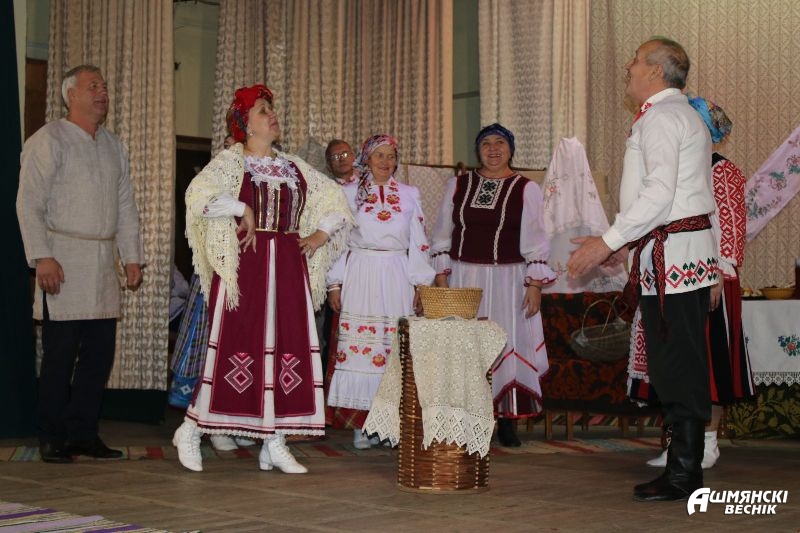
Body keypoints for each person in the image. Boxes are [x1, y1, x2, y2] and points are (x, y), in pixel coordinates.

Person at [172, 84, 352, 473]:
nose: (272, 115)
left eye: (272, 109)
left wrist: (320, 234)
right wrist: (241, 208)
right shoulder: (230, 162)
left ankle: (274, 441)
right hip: (247, 268)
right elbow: (197, 197)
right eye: (263, 111)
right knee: (236, 347)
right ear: (246, 125)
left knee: (286, 348)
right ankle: (190, 429)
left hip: (288, 267)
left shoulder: (293, 167)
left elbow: (337, 201)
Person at [567, 38, 717, 501]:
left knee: (678, 366)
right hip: (671, 258)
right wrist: (626, 247)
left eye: (635, 60)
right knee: (674, 366)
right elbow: (665, 200)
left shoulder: (664, 117)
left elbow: (659, 195)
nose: (628, 67)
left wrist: (608, 241)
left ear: (654, 71)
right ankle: (682, 468)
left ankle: (684, 473)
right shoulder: (669, 114)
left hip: (677, 263)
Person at [16, 64, 143, 463]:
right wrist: (42, 257)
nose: (102, 92)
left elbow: (125, 206)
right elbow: (28, 202)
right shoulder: (48, 139)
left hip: (102, 264)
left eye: (103, 86)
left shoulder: (114, 146)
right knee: (59, 356)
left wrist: (132, 256)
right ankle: (52, 435)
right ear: (71, 94)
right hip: (63, 260)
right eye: (93, 86)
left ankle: (83, 433)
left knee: (98, 357)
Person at [630, 95, 755, 470]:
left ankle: (708, 442)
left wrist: (717, 274)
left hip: (711, 280)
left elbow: (731, 228)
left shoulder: (721, 170)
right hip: (673, 277)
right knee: (677, 361)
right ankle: (680, 444)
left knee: (709, 361)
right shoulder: (676, 171)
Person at [430, 123, 555, 447]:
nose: (493, 149)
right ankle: (467, 419)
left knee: (506, 343)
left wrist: (535, 285)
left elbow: (536, 238)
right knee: (465, 347)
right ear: (478, 150)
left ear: (511, 149)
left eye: (500, 142)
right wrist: (442, 276)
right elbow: (442, 232)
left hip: (508, 279)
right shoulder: (458, 185)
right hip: (464, 278)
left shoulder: (526, 188)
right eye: (486, 143)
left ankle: (506, 420)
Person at [325, 134, 435, 449]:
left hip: (397, 273)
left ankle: (389, 425)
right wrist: (335, 282)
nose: (386, 162)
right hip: (361, 272)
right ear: (367, 159)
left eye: (391, 156)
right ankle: (361, 424)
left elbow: (419, 241)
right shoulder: (349, 193)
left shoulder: (410, 194)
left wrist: (421, 284)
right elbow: (338, 241)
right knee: (362, 351)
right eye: (379, 156)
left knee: (393, 351)